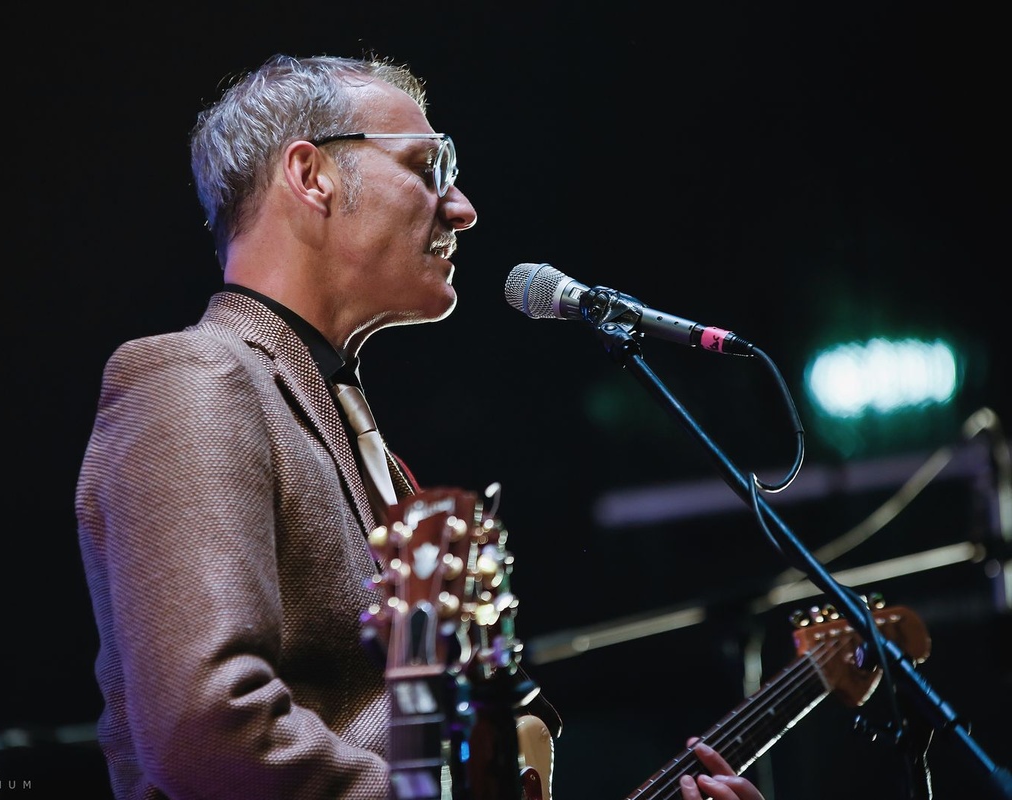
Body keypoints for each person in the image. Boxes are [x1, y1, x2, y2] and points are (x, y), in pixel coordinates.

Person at [75, 52, 765, 800]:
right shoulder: (192, 376)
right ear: (311, 175)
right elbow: (206, 730)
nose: (462, 207)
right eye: (428, 166)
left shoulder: (341, 427)